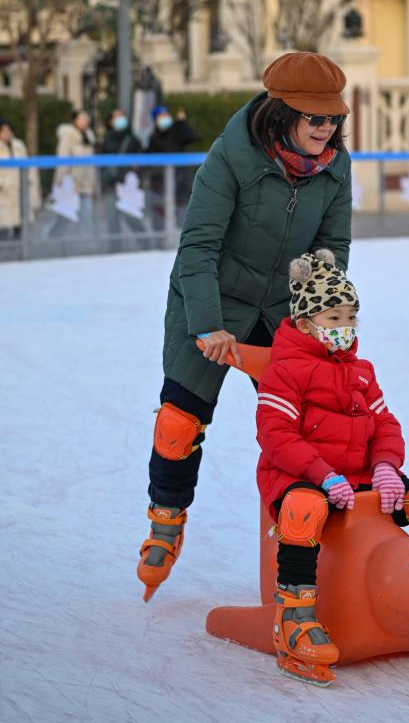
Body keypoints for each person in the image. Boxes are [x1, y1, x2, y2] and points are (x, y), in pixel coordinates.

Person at [137, 53, 353, 600]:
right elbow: (199, 246)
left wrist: (319, 307)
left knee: (308, 426)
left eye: (332, 119)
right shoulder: (230, 157)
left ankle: (312, 540)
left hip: (284, 307)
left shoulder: (334, 166)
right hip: (213, 298)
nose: (326, 129)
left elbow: (333, 248)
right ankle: (167, 519)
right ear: (281, 114)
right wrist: (208, 326)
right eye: (314, 119)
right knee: (179, 422)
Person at [255, 249, 409, 685]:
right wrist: (322, 475)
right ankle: (294, 618)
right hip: (300, 477)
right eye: (334, 318)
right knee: (304, 511)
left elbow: (385, 424)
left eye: (351, 317)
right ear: (304, 323)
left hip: (363, 477)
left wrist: (388, 467)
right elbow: (277, 437)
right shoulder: (284, 372)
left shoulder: (361, 371)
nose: (345, 328)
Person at [101, 109, 147, 248]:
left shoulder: (132, 139)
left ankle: (147, 245)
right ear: (110, 121)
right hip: (112, 184)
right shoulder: (106, 140)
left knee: (132, 216)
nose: (120, 119)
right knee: (112, 218)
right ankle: (114, 248)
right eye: (116, 117)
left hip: (129, 186)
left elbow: (142, 158)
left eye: (122, 116)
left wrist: (136, 167)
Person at [146, 105, 197, 229]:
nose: (165, 118)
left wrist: (182, 122)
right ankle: (162, 242)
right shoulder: (153, 137)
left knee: (183, 216)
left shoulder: (177, 129)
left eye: (166, 115)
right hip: (161, 185)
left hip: (180, 182)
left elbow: (190, 137)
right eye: (161, 116)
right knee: (160, 218)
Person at [49, 109, 96, 237]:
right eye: (82, 118)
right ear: (75, 120)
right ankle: (53, 239)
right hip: (70, 183)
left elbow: (91, 163)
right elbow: (63, 160)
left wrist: (94, 183)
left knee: (87, 214)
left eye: (87, 118)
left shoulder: (89, 136)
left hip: (85, 183)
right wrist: (59, 182)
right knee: (64, 216)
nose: (86, 121)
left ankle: (88, 243)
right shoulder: (67, 136)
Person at [0, 120, 40, 240]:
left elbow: (27, 166)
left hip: (19, 189)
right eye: (3, 131)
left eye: (8, 131)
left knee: (20, 224)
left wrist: (29, 183)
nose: (7, 134)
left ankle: (19, 253)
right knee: (4, 226)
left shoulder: (19, 146)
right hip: (3, 192)